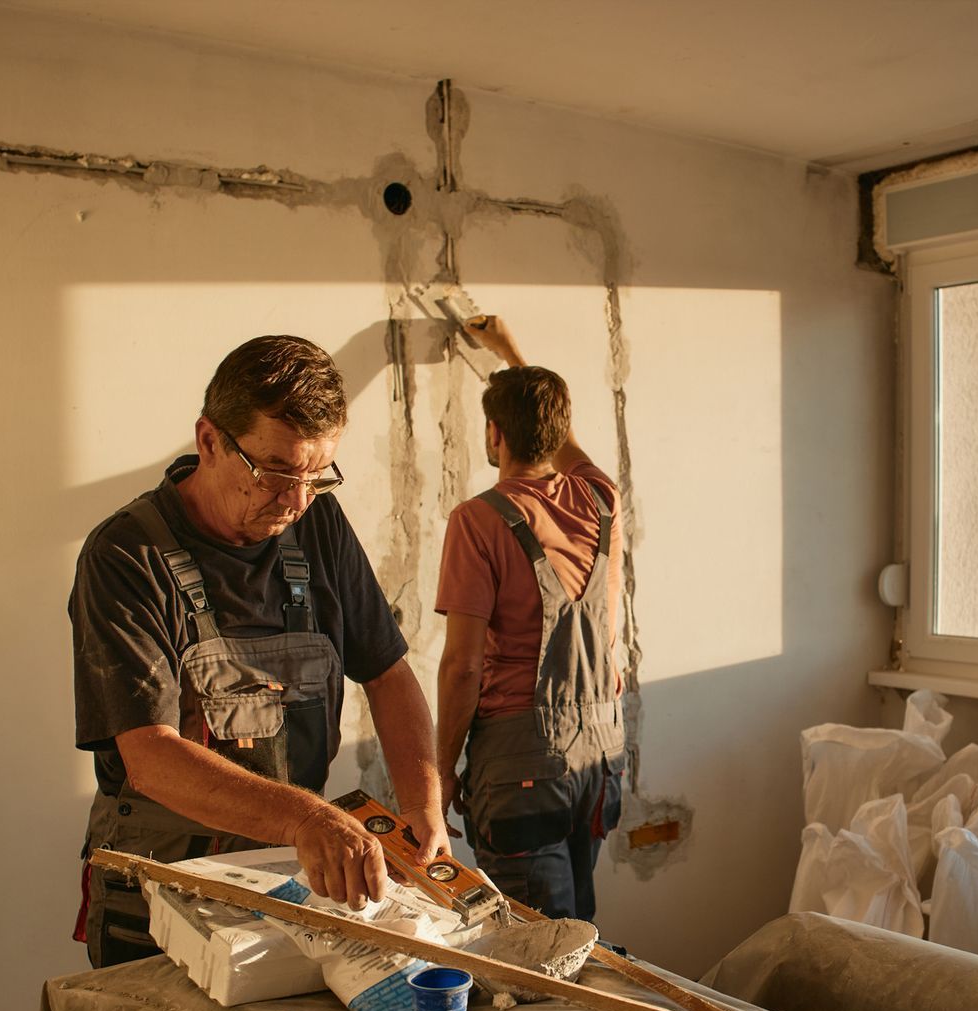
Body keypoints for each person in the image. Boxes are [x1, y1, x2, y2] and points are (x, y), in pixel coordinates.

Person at [69, 334, 448, 967]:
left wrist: (422, 805)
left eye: (316, 475)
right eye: (275, 472)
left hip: (285, 878)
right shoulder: (124, 557)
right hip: (162, 892)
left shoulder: (315, 522)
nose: (297, 500)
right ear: (210, 440)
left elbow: (387, 673)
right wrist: (307, 819)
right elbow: (151, 759)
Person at [434, 317, 625, 922]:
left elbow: (461, 666)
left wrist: (440, 771)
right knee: (578, 935)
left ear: (494, 433)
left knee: (532, 948)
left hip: (520, 761)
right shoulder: (601, 498)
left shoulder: (478, 520)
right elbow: (565, 443)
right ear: (560, 428)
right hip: (598, 755)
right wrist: (513, 355)